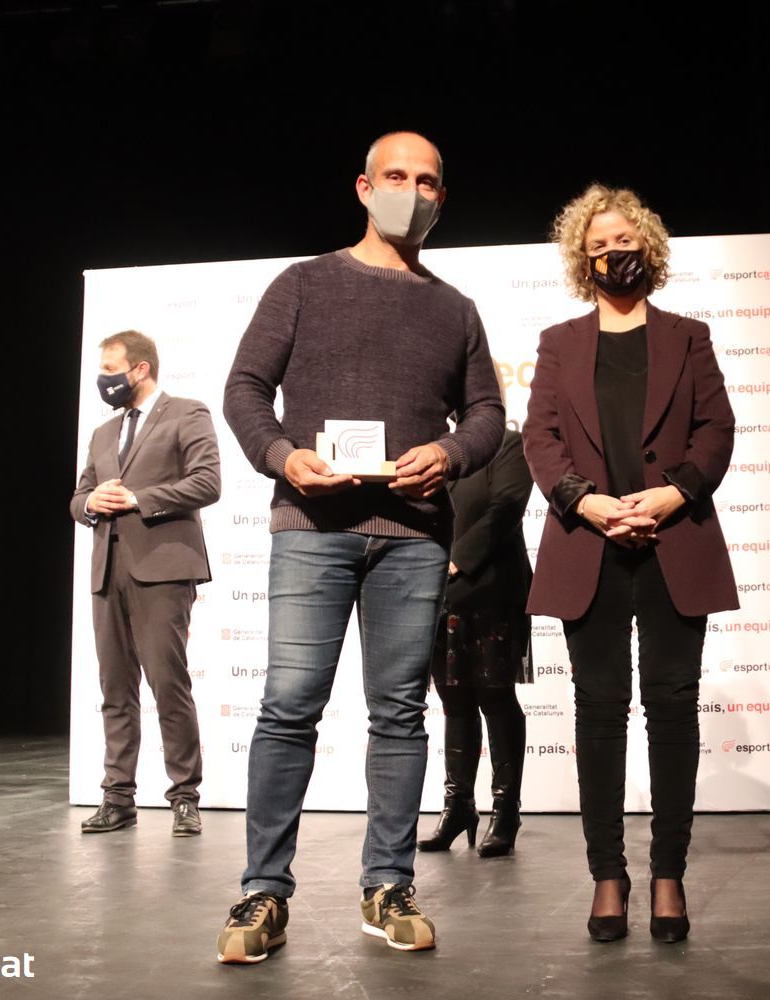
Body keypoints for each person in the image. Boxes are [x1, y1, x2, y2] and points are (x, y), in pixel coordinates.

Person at [218, 131, 504, 962]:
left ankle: (388, 885)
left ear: (441, 198)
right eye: (396, 177)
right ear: (363, 187)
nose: (411, 192)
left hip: (413, 539)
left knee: (400, 713)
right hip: (312, 528)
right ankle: (262, 894)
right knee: (289, 706)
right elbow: (244, 390)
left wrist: (449, 453)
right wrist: (282, 457)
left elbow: (488, 415)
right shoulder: (304, 283)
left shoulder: (456, 309)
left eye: (427, 182)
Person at [522, 184, 739, 943]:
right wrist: (585, 502)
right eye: (599, 244)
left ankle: (668, 874)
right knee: (599, 708)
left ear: (647, 245)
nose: (614, 252)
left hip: (676, 540)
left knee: (673, 705)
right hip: (590, 544)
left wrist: (674, 494)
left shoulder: (689, 336)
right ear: (582, 258)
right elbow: (540, 438)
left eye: (625, 240)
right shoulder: (559, 342)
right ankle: (607, 876)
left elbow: (716, 429)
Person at [69, 330, 221, 837]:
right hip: (107, 570)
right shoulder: (103, 432)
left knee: (167, 684)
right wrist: (91, 504)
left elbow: (207, 482)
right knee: (115, 689)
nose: (104, 379)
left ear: (140, 369)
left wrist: (138, 499)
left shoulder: (187, 413)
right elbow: (79, 497)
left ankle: (185, 797)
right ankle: (118, 798)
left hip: (163, 569)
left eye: (110, 369)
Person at [417, 427, 534, 858]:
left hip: (492, 591)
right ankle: (458, 808)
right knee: (454, 700)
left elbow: (508, 507)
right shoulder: (434, 448)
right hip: (437, 594)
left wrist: (457, 558)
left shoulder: (507, 443)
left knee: (496, 696)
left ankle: (506, 812)